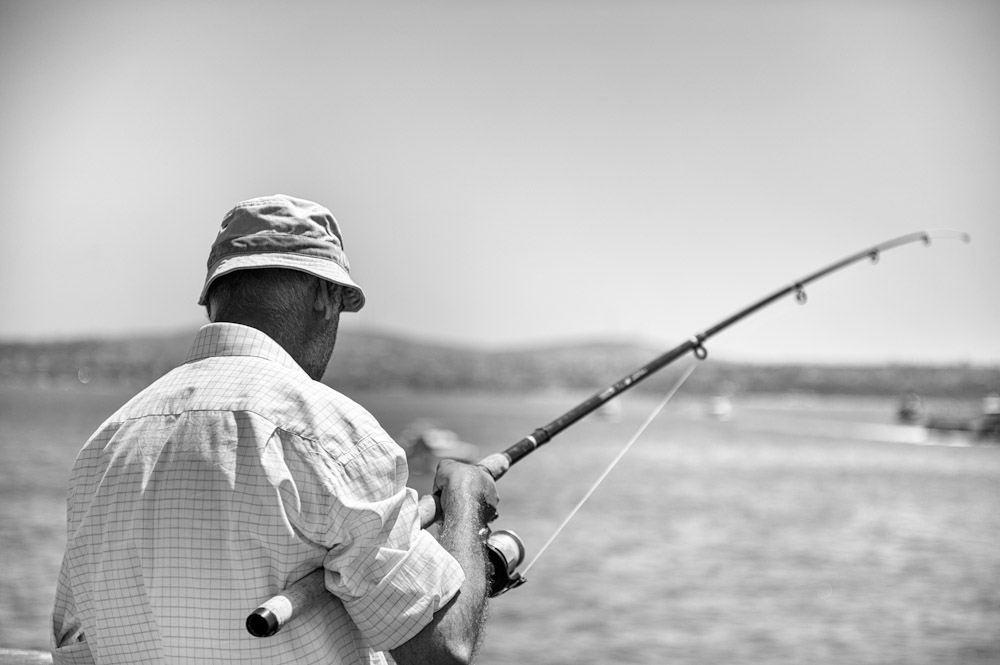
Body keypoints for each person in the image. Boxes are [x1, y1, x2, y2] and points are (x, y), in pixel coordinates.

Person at [51, 195, 499, 665]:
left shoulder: (102, 447)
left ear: (212, 302)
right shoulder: (330, 434)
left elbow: (74, 647)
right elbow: (445, 649)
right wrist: (465, 505)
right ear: (327, 298)